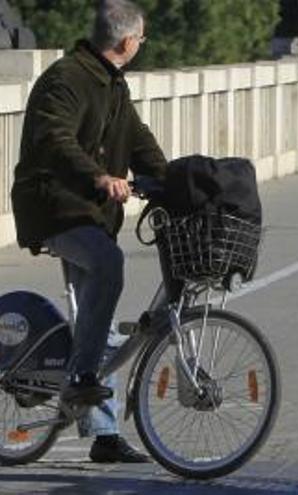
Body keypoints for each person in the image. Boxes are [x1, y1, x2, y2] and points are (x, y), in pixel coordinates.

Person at [10, 0, 166, 463]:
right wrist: (99, 177)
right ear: (127, 41)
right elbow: (55, 139)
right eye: (142, 38)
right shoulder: (66, 79)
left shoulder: (112, 84)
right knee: (107, 264)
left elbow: (138, 140)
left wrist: (175, 182)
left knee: (94, 319)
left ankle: (103, 435)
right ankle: (81, 377)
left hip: (89, 213)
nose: (141, 45)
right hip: (54, 207)